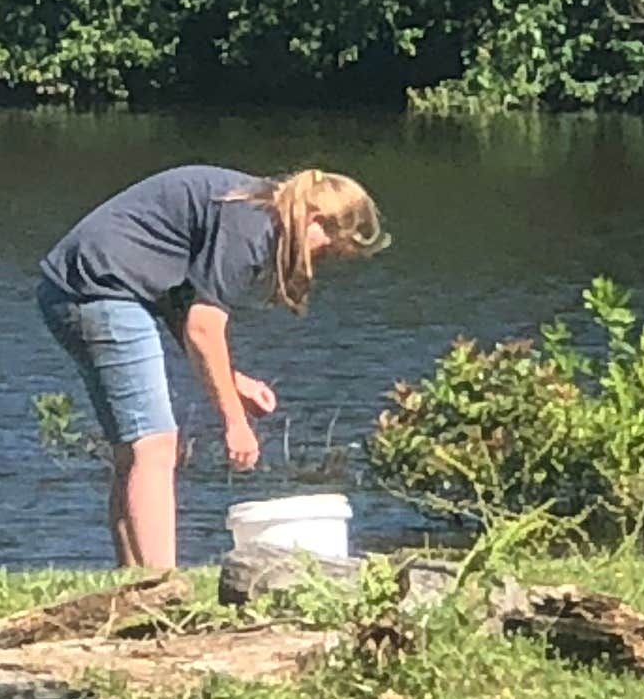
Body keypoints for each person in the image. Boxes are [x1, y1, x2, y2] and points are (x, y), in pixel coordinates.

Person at [37, 165, 387, 568]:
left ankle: (133, 580)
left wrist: (232, 380)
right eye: (326, 247)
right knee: (154, 447)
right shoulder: (252, 226)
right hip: (97, 291)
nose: (319, 259)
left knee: (136, 451)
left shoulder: (252, 206)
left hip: (76, 288)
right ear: (314, 218)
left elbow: (183, 307)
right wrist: (235, 422)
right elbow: (204, 327)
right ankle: (161, 586)